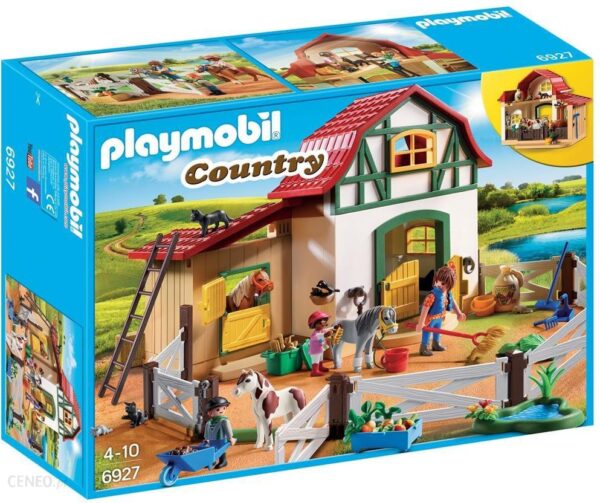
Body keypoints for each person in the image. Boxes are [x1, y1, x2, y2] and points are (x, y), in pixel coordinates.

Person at [416, 265, 466, 356]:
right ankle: (424, 348)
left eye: (442, 283)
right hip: (430, 318)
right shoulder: (432, 295)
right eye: (437, 281)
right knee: (427, 332)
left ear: (450, 284)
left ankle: (436, 344)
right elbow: (425, 308)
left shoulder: (448, 293)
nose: (438, 284)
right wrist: (421, 323)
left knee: (437, 331)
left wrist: (459, 313)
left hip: (440, 317)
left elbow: (453, 302)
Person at [203, 396, 236, 469]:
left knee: (221, 450)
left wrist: (230, 438)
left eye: (224, 408)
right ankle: (212, 461)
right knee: (212, 450)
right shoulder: (209, 423)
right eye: (217, 409)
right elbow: (207, 431)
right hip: (211, 440)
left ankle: (223, 461)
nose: (221, 411)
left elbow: (228, 430)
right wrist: (206, 438)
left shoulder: (224, 421)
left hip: (221, 439)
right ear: (210, 412)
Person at [307, 311, 333, 376]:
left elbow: (326, 330)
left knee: (321, 358)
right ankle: (314, 371)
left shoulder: (321, 330)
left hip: (320, 348)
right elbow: (317, 337)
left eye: (325, 322)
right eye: (322, 323)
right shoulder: (315, 334)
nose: (324, 324)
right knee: (316, 360)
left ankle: (320, 367)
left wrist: (333, 328)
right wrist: (325, 335)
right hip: (315, 350)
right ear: (315, 324)